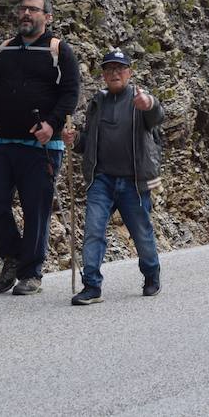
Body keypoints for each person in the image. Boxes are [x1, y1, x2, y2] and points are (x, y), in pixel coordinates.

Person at [0, 0, 81, 296]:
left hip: (41, 146)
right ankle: (13, 256)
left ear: (48, 17)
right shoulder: (1, 51)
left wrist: (52, 124)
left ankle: (31, 273)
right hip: (2, 144)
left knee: (36, 210)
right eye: (23, 9)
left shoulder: (60, 51)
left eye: (33, 10)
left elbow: (71, 93)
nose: (26, 14)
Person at [63, 49, 163, 305]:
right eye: (109, 69)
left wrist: (149, 104)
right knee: (93, 231)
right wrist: (75, 141)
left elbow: (156, 116)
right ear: (103, 75)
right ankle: (91, 286)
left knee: (141, 233)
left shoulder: (140, 99)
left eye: (120, 69)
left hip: (134, 182)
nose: (114, 73)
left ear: (129, 72)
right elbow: (88, 142)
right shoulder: (97, 102)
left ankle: (152, 274)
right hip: (102, 181)